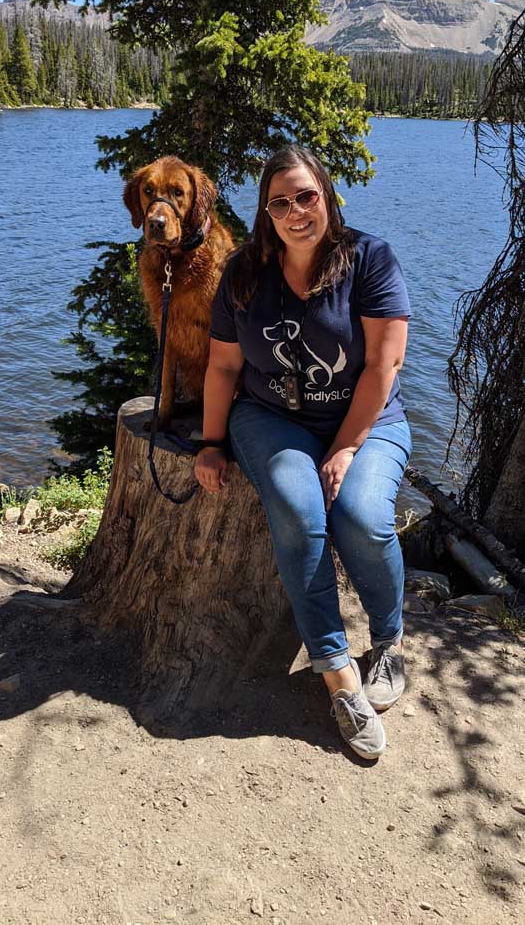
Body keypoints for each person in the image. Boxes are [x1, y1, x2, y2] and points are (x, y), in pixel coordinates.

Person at [194, 145, 411, 760]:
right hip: (271, 418)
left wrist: (345, 447)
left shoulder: (370, 260)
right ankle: (338, 671)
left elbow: (382, 366)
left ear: (328, 195)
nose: (295, 212)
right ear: (267, 213)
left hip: (367, 420)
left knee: (363, 517)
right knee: (299, 507)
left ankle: (389, 641)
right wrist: (212, 443)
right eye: (280, 202)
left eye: (306, 196)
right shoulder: (243, 273)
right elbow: (224, 364)